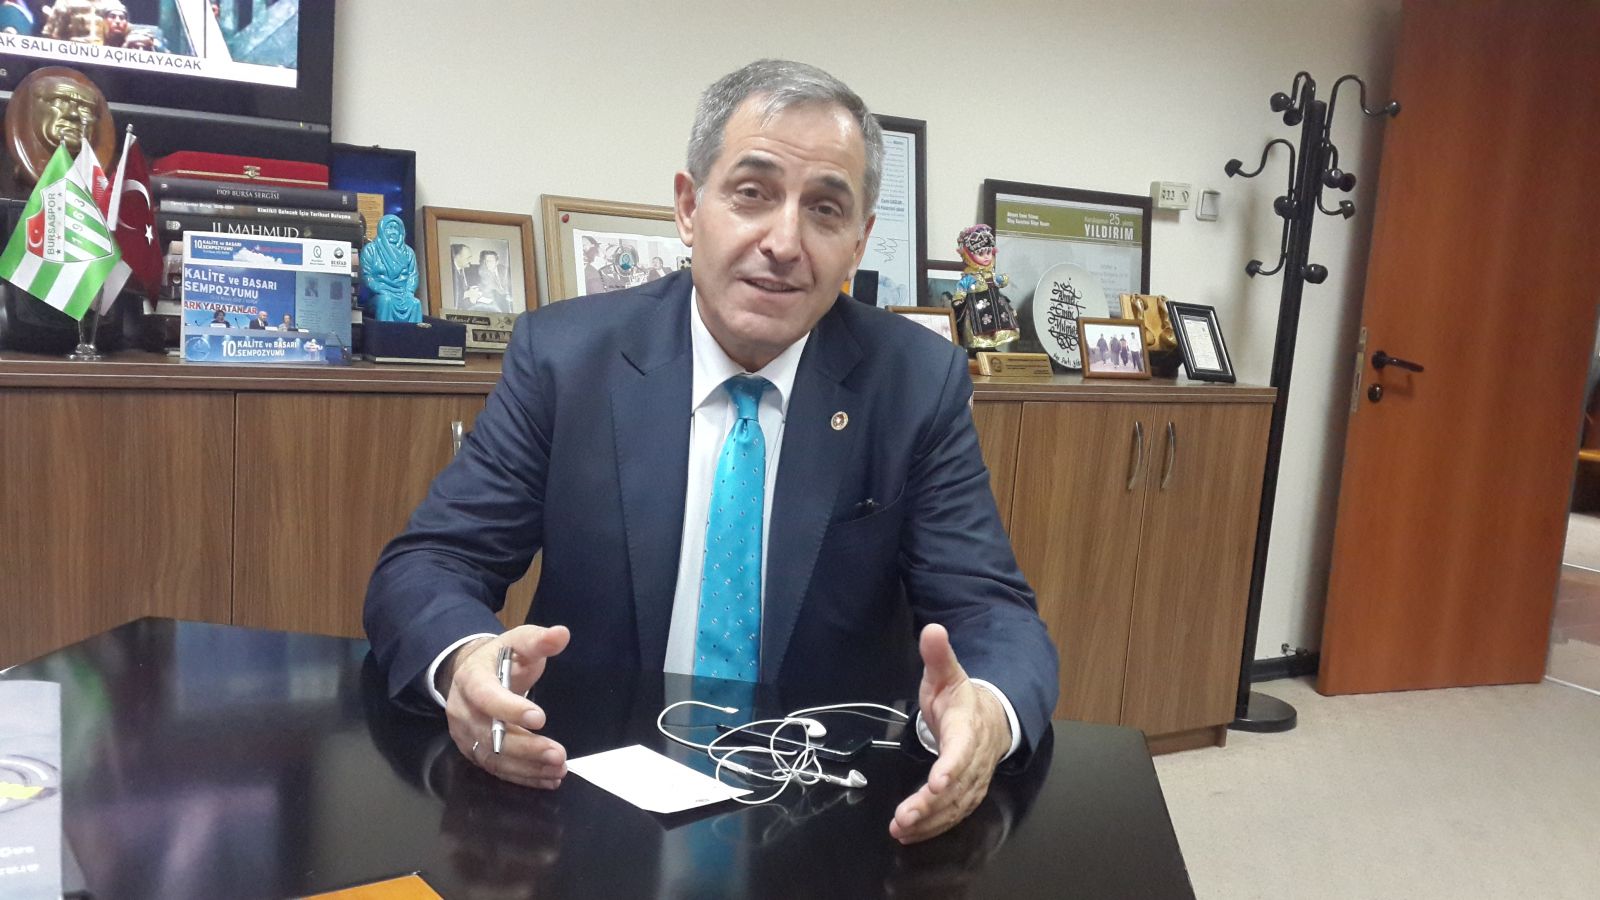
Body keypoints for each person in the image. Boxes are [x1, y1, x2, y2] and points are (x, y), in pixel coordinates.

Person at [364, 59, 1058, 845]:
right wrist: (466, 663)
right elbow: (431, 564)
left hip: (820, 815)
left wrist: (986, 710)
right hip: (584, 791)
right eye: (752, 193)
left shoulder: (915, 383)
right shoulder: (567, 359)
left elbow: (990, 611)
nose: (784, 243)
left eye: (825, 209)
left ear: (859, 241)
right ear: (690, 207)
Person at [450, 243, 481, 307]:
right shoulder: (449, 272)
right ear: (457, 257)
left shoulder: (466, 268)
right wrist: (467, 294)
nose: (470, 260)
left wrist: (471, 289)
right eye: (468, 258)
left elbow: (463, 287)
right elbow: (452, 297)